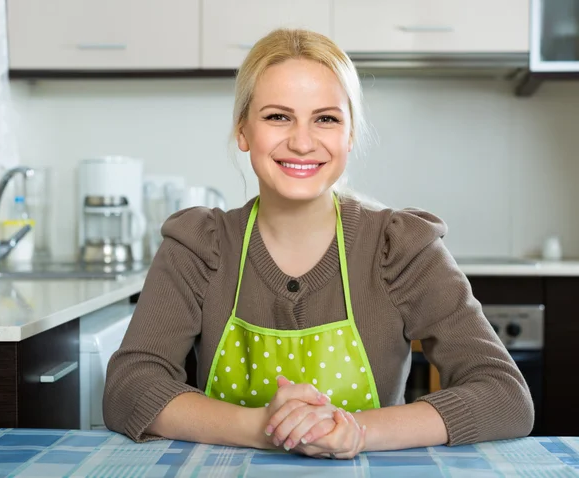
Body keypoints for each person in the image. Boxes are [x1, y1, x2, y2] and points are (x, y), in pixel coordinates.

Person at [103, 28, 534, 459]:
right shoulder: (199, 247)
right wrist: (262, 427)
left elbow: (504, 396)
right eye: (277, 117)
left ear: (349, 135)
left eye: (326, 118)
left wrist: (357, 432)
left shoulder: (399, 249)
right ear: (243, 131)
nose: (303, 142)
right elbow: (130, 387)